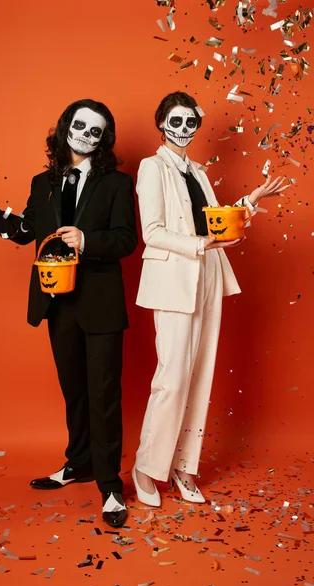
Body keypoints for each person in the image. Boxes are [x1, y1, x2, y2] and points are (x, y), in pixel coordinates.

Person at [0, 99, 138, 527]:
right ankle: (78, 464)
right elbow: (25, 230)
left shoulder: (118, 184)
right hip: (56, 302)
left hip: (100, 304)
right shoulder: (41, 182)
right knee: (74, 391)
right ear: (66, 126)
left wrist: (85, 239)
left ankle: (109, 487)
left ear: (104, 139)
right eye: (80, 125)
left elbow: (126, 241)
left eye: (96, 130)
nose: (85, 134)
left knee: (103, 396)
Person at [132, 91, 290, 507]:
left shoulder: (198, 172)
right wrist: (201, 243)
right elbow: (152, 231)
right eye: (176, 121)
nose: (183, 129)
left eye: (190, 123)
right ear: (161, 122)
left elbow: (215, 222)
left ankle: (185, 466)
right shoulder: (153, 168)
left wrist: (249, 203)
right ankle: (148, 466)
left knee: (200, 375)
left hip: (207, 277)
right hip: (173, 279)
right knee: (172, 377)